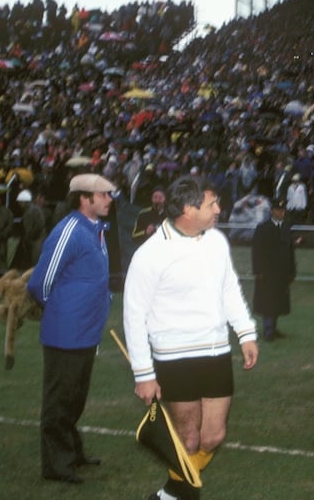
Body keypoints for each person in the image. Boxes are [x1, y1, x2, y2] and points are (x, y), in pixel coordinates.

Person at [123, 176, 259, 500]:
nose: (219, 209)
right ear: (188, 209)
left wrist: (246, 333)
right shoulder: (150, 254)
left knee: (213, 436)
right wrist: (144, 373)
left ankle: (169, 494)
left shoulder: (217, 241)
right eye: (212, 204)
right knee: (188, 440)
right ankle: (179, 496)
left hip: (216, 352)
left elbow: (229, 289)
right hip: (174, 357)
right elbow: (134, 315)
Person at [26, 173, 115, 484]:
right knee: (59, 400)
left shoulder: (96, 230)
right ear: (84, 199)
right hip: (66, 333)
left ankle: (72, 453)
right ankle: (56, 465)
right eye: (103, 195)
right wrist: (62, 310)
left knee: (75, 397)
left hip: (86, 332)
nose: (109, 199)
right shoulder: (69, 231)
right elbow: (40, 283)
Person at [252, 198, 299, 341]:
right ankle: (268, 330)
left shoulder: (286, 227)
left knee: (279, 301)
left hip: (282, 272)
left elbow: (290, 251)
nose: (281, 213)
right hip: (267, 272)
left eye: (283, 210)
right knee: (268, 301)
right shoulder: (263, 228)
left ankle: (274, 328)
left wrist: (292, 270)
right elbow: (256, 251)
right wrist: (258, 270)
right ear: (272, 211)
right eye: (278, 210)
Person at [12, 189, 46, 270]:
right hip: (33, 241)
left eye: (20, 202)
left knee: (35, 264)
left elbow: (39, 225)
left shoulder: (32, 210)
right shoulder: (30, 210)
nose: (19, 204)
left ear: (24, 201)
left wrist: (29, 236)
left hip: (36, 242)